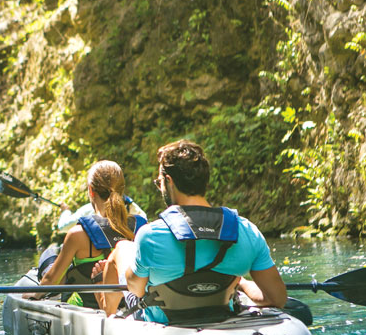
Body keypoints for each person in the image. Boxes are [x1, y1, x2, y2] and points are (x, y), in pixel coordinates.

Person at [97, 139, 287, 324]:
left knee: (122, 247)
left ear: (169, 182)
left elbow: (136, 290)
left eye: (159, 182)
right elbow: (277, 298)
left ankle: (109, 315)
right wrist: (241, 284)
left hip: (162, 318)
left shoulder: (150, 236)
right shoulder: (247, 231)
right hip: (220, 311)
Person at [25, 160, 147, 307]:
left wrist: (35, 295)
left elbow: (51, 280)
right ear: (122, 190)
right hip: (129, 303)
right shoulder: (141, 227)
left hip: (88, 305)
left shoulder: (78, 234)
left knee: (50, 253)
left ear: (91, 191)